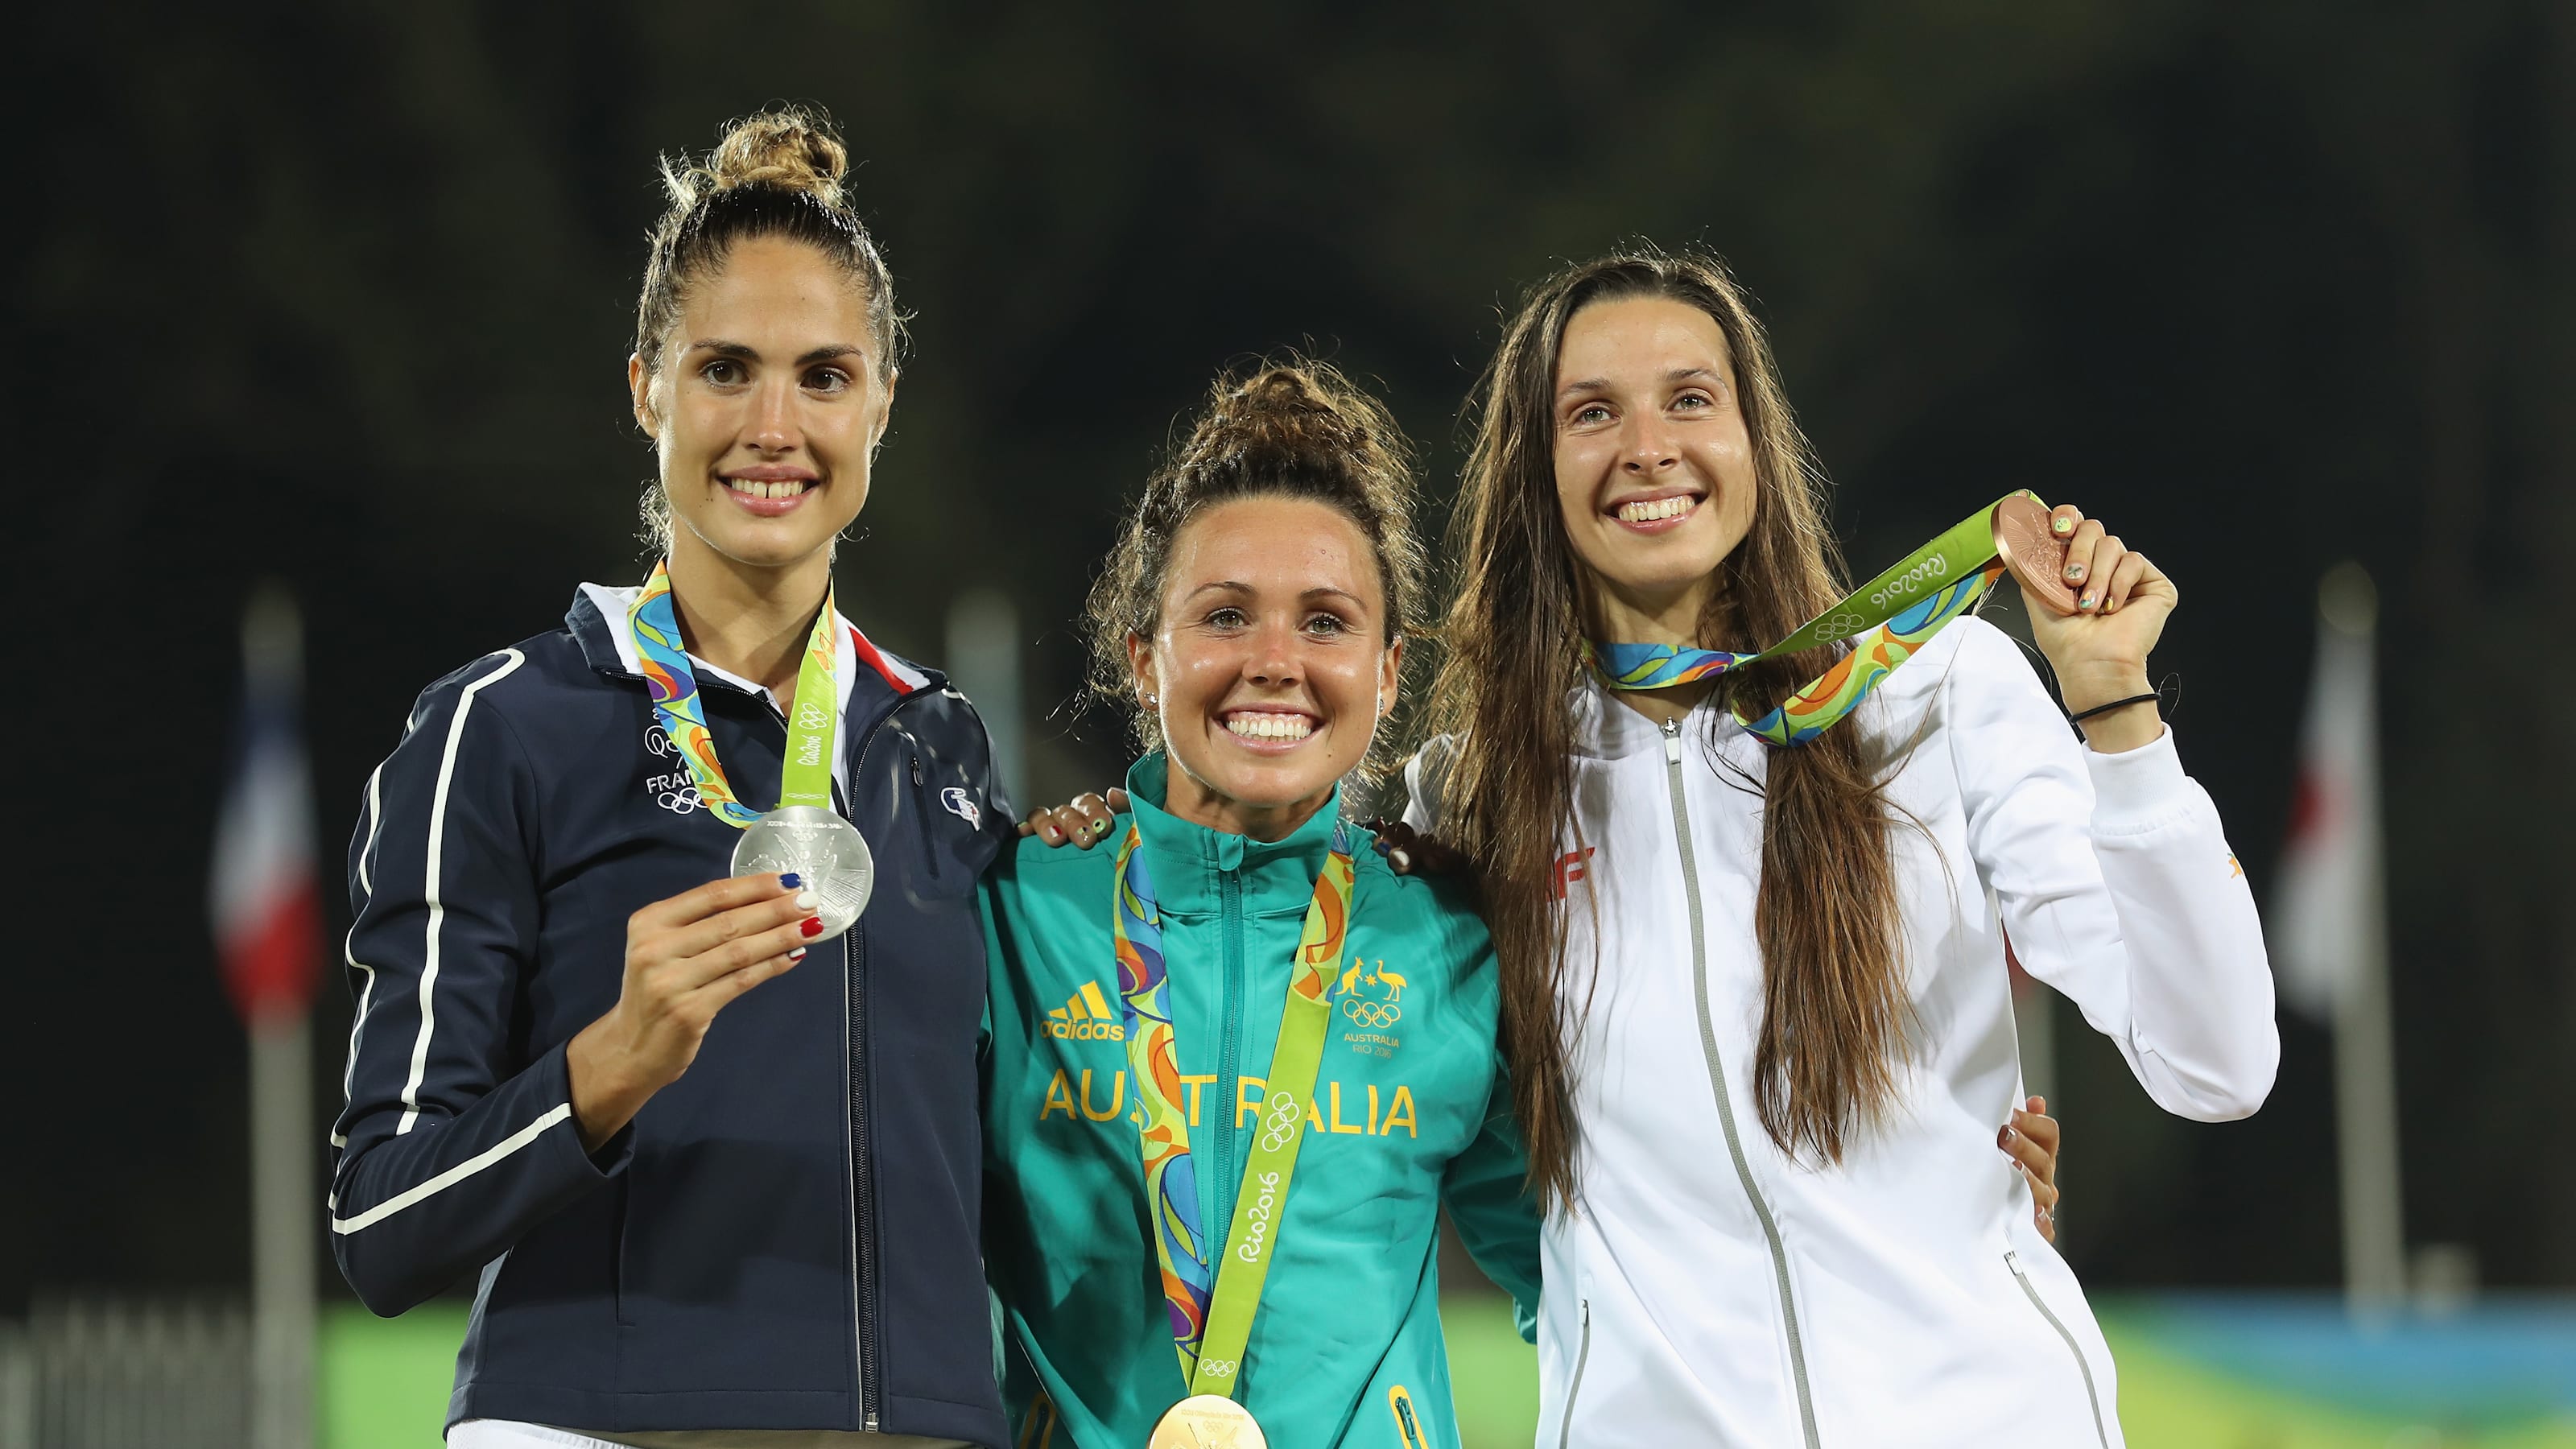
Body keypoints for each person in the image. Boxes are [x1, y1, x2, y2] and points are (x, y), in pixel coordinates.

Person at [1406, 246, 2277, 1447]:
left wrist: (2118, 715)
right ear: (1533, 470)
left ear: (1754, 442)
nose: (1648, 447)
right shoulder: (1473, 799)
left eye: (1690, 399)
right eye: (1592, 412)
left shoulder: (1936, 695)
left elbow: (2217, 1063)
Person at [330, 108, 1013, 1448]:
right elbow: (379, 1219)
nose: (775, 425)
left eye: (824, 376)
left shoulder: (937, 744)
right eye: (725, 370)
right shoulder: (503, 727)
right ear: (648, 388)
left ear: (881, 403)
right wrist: (610, 1065)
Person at [979, 362, 1542, 1449]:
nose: (1276, 662)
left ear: (1388, 672)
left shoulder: (1453, 937)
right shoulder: (1016, 910)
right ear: (1145, 660)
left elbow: (1583, 1278)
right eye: (1226, 616)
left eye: (1326, 623)